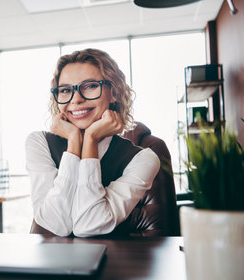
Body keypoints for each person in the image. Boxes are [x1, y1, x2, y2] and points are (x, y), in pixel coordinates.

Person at [25, 48, 160, 237]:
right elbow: (56, 225)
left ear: (114, 92)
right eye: (65, 90)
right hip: (49, 263)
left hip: (115, 262)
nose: (77, 99)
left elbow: (87, 225)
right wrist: (74, 141)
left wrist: (90, 139)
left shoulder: (144, 159)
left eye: (89, 86)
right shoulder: (39, 143)